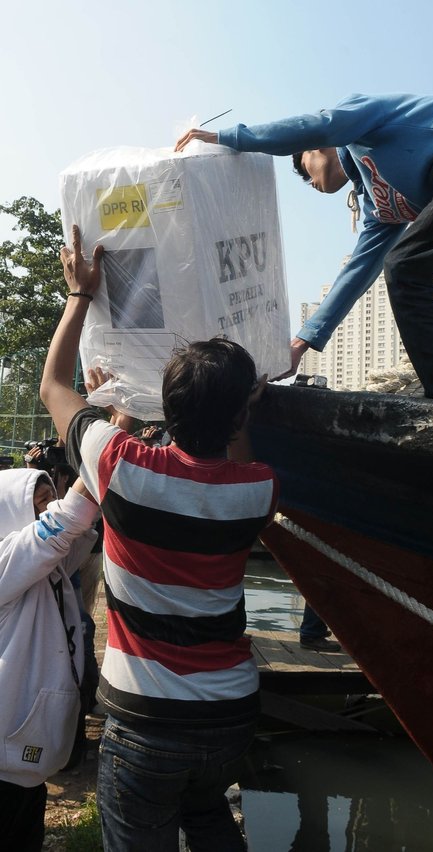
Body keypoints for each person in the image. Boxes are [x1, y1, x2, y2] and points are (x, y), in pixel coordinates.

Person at [40, 225, 279, 852]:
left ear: (164, 408)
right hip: (230, 712)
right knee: (207, 820)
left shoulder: (122, 466)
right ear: (239, 416)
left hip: (149, 718)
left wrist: (80, 296)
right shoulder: (256, 489)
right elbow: (236, 454)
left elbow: (53, 389)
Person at [175, 93, 433, 404]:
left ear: (316, 148)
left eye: (305, 170)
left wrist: (229, 138)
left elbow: (321, 126)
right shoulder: (378, 206)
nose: (310, 183)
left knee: (405, 268)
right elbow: (356, 273)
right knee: (403, 268)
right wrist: (301, 343)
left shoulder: (360, 125)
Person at [0, 466, 98, 852]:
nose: (49, 507)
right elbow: (65, 520)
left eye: (51, 497)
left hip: (24, 754)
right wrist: (105, 441)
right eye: (39, 502)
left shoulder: (45, 568)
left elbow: (76, 531)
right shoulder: (6, 562)